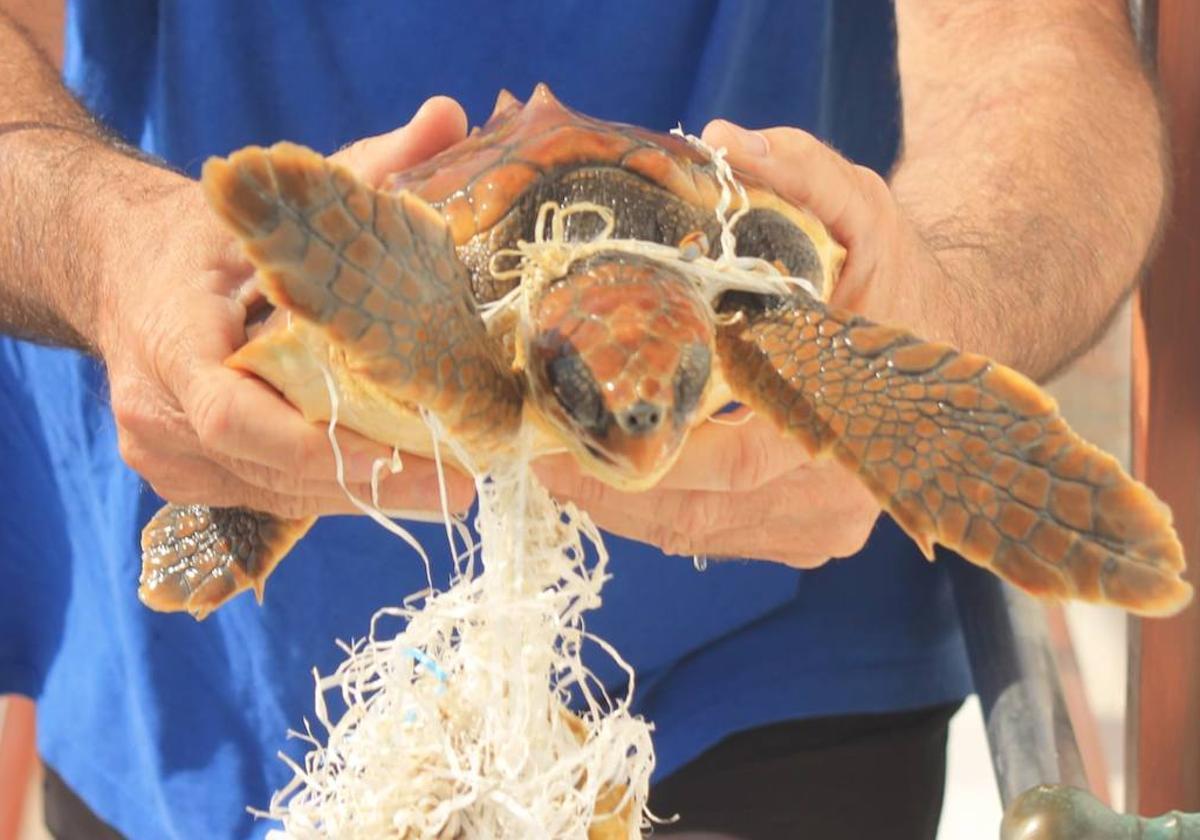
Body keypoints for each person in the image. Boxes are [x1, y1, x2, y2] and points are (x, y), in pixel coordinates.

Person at [0, 2, 1165, 838]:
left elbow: (1042, 38)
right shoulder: (436, 327)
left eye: (652, 404)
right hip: (195, 703)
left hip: (785, 684)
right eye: (605, 406)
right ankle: (247, 515)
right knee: (287, 437)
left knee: (879, 391)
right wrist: (107, 249)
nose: (642, 442)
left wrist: (946, 304)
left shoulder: (753, 313)